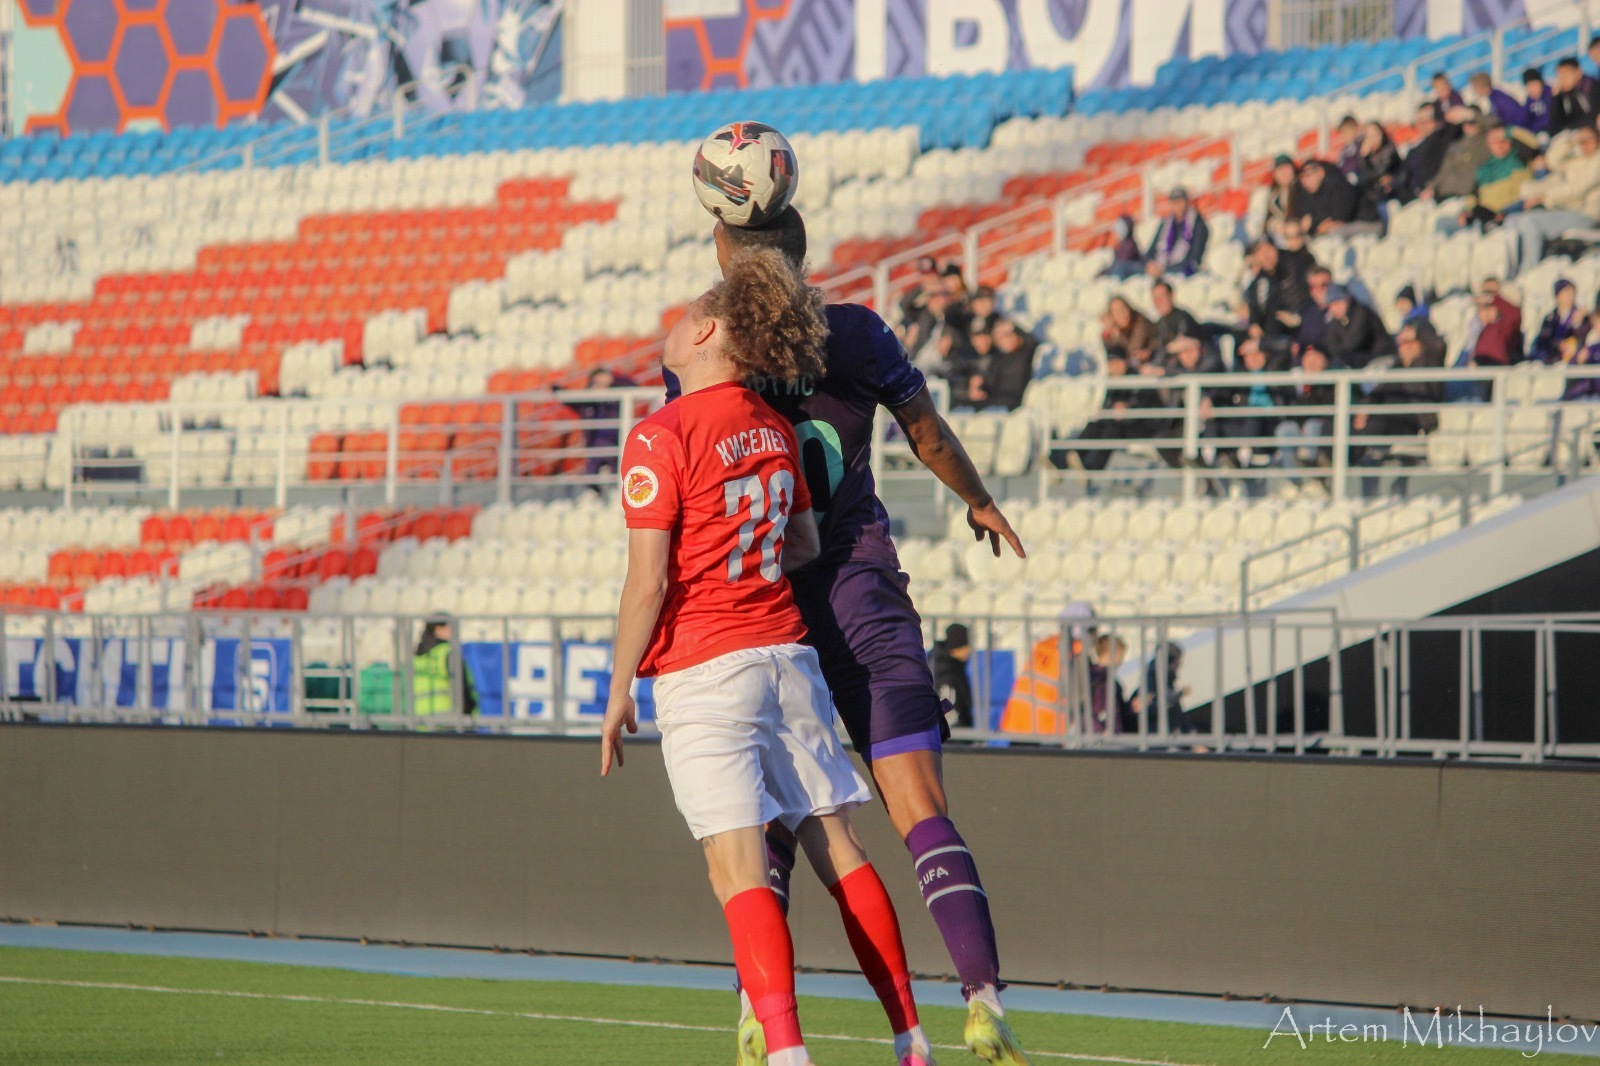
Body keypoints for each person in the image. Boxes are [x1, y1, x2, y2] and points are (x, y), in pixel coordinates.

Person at [695, 206, 1033, 1065]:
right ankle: (982, 998)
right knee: (920, 809)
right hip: (863, 594)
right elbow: (928, 435)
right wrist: (979, 500)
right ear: (804, 251)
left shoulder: (710, 348)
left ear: (723, 251)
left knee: (772, 823)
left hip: (768, 610)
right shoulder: (856, 333)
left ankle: (756, 1008)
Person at [602, 248, 934, 1066]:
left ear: (707, 332)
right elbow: (804, 544)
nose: (673, 325)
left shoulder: (659, 434)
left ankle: (787, 1054)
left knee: (738, 869)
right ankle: (911, 1038)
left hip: (705, 669)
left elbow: (648, 583)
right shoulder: (773, 429)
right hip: (787, 657)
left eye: (685, 314)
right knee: (840, 849)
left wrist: (617, 691)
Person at [1511, 124, 1600, 269]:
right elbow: (1552, 160)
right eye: (1581, 140)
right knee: (1514, 221)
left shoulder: (1597, 162)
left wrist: (1545, 198)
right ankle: (1513, 272)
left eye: (1589, 139)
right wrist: (1569, 142)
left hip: (1585, 215)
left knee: (1530, 222)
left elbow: (1576, 190)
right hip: (1566, 210)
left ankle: (1530, 271)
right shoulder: (1576, 160)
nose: (1584, 144)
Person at [1275, 343, 1336, 484]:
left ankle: (1316, 476)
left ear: (1325, 361)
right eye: (1308, 359)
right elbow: (1294, 410)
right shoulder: (1299, 383)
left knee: (1312, 426)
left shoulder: (1333, 381)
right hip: (1301, 425)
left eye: (1315, 359)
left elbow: (1327, 409)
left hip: (1324, 426)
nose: (1311, 363)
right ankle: (1295, 481)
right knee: (1285, 430)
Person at [1459, 123, 1532, 230]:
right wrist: (1466, 210)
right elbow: (1472, 196)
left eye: (1503, 140)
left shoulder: (1520, 157)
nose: (1500, 145)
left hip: (1515, 210)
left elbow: (1534, 143)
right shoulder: (1484, 169)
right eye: (1494, 142)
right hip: (1489, 216)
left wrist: (1509, 131)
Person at [412, 615, 475, 717]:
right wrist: (468, 711)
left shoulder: (417, 657)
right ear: (438, 629)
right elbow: (462, 687)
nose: (453, 632)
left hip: (419, 716)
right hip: (446, 716)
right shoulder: (447, 653)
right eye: (449, 627)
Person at [1424, 107, 1491, 201]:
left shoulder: (1486, 138)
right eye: (1465, 122)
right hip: (1448, 193)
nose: (1468, 125)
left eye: (1471, 122)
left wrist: (1470, 114)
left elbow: (1494, 123)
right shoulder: (1455, 145)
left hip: (1471, 193)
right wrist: (1431, 186)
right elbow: (1445, 168)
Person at [1324, 285, 1396, 369]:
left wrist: (1341, 354)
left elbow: (1354, 342)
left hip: (1380, 358)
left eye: (1338, 303)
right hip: (1362, 360)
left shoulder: (1361, 313)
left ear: (1348, 300)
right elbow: (1332, 344)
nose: (1335, 308)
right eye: (1331, 305)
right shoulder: (1337, 319)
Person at [1399, 102, 1457, 202]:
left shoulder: (1441, 138)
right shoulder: (1414, 148)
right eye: (1419, 121)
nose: (1422, 125)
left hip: (1436, 193)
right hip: (1414, 195)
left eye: (1427, 120)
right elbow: (1405, 173)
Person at [1144, 188, 1209, 277]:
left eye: (1180, 202)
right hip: (1162, 265)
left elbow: (1194, 258)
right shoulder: (1166, 222)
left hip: (1182, 269)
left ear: (1186, 202)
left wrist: (1163, 270)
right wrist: (1150, 264)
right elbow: (1150, 251)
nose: (1178, 206)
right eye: (1174, 203)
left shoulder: (1198, 224)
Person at [973, 320, 1035, 411]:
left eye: (1008, 335)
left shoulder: (1024, 353)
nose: (1006, 340)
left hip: (1016, 402)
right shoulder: (998, 359)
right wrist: (980, 388)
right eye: (1001, 338)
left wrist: (1014, 326)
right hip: (998, 402)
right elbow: (990, 383)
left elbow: (1032, 339)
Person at [1290, 159, 1358, 235]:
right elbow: (1302, 221)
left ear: (1320, 172)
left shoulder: (1339, 186)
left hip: (1353, 228)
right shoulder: (1302, 193)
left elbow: (1340, 218)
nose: (1305, 181)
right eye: (1302, 178)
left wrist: (1315, 223)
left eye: (1308, 176)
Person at [1530, 279, 1589, 363]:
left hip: (1572, 359)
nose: (1570, 297)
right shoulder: (1550, 318)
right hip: (1552, 358)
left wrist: (1577, 323)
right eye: (1566, 294)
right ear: (1558, 296)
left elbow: (1582, 338)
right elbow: (1543, 340)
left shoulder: (1581, 316)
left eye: (1572, 294)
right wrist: (1557, 344)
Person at [1354, 121, 1402, 225]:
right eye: (1369, 136)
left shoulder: (1389, 152)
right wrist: (1363, 158)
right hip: (1370, 197)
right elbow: (1362, 178)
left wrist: (1365, 158)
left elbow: (1378, 174)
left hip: (1387, 194)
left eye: (1375, 135)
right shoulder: (1367, 157)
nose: (1373, 139)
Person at [930, 623, 974, 730]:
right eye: (966, 646)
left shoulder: (954, 667)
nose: (969, 650)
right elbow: (950, 717)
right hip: (953, 736)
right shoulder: (946, 675)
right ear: (957, 648)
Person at [1149, 279, 1203, 363]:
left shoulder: (1183, 318)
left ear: (1171, 296)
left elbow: (1183, 345)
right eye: (1155, 297)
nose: (1158, 301)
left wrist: (1168, 349)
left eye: (1162, 296)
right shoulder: (1159, 325)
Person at [1101, 295, 1156, 366]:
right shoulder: (1115, 330)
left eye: (1123, 308)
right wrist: (1108, 333)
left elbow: (1132, 351)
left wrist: (1117, 335)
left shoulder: (1141, 323)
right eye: (1116, 311)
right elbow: (1113, 355)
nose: (1121, 314)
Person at [1466, 71, 1531, 131]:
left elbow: (1515, 117)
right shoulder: (1493, 97)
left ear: (1480, 87)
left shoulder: (1499, 98)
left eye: (1475, 87)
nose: (1474, 90)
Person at [1550, 58, 1596, 137]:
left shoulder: (1592, 86)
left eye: (1566, 74)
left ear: (1578, 73)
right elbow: (1557, 124)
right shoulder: (1566, 95)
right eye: (1559, 75)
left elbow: (1595, 115)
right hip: (1578, 133)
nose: (1563, 79)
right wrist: (1556, 97)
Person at [1262, 155, 1299, 239]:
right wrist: (1275, 225)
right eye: (1280, 170)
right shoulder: (1272, 195)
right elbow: (1266, 220)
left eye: (1287, 169)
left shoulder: (1300, 190)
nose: (1283, 173)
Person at [1521, 68, 1552, 136]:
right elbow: (1525, 118)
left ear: (1541, 83)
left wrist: (1533, 129)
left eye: (1535, 85)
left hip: (1550, 130)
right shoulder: (1530, 99)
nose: (1533, 88)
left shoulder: (1549, 94)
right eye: (1529, 86)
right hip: (1536, 132)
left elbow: (1548, 118)